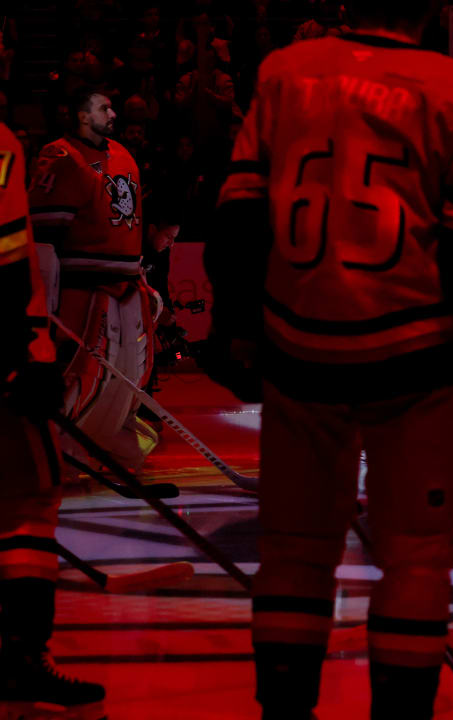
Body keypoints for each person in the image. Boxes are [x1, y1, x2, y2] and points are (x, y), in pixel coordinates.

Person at [205, 2, 453, 717]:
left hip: (297, 344)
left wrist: (236, 325)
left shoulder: (284, 72)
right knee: (416, 555)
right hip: (414, 352)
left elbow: (237, 216)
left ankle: (282, 712)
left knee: (293, 549)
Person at [0, 122, 105, 719]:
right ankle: (23, 657)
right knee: (30, 500)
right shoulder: (0, 142)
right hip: (5, 360)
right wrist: (24, 357)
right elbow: (8, 254)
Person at [26, 86, 160, 470]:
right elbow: (43, 240)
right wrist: (43, 302)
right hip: (84, 293)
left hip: (127, 287)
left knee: (129, 378)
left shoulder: (124, 155)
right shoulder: (60, 157)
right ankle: (55, 451)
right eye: (104, 108)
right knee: (79, 377)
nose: (113, 114)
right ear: (83, 116)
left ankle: (108, 439)